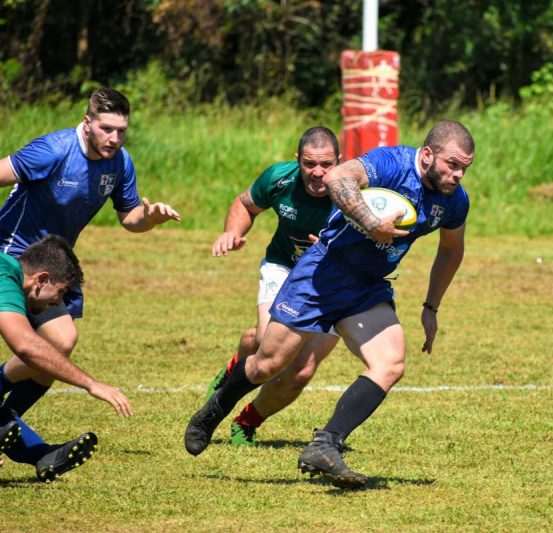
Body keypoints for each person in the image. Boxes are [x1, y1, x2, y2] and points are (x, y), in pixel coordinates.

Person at [185, 119, 474, 489]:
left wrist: (431, 307)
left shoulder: (454, 201)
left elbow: (451, 250)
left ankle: (325, 445)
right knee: (268, 364)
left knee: (390, 363)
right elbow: (338, 178)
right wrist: (371, 223)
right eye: (452, 165)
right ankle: (215, 409)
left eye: (464, 168)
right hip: (323, 272)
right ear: (428, 154)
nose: (458, 175)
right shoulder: (391, 162)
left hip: (367, 286)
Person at [0, 88, 179, 429]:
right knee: (30, 343)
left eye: (121, 131)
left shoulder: (120, 162)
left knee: (61, 342)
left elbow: (130, 218)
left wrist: (150, 217)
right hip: (10, 255)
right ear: (87, 123)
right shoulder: (54, 150)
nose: (114, 138)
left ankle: (4, 420)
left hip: (53, 267)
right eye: (106, 129)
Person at [204, 126, 342, 446]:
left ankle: (246, 422)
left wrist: (337, 249)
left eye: (326, 164)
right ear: (297, 160)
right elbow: (245, 204)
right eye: (309, 164)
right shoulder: (280, 178)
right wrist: (232, 232)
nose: (318, 173)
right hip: (284, 268)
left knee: (302, 369)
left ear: (340, 160)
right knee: (269, 346)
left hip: (333, 281)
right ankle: (237, 366)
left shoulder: (355, 190)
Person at [0, 234, 132, 482]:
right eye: (60, 293)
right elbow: (25, 346)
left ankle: (41, 454)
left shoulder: (7, 272)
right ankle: (38, 451)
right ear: (41, 279)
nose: (57, 302)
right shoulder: (4, 278)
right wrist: (91, 384)